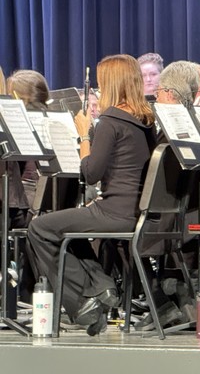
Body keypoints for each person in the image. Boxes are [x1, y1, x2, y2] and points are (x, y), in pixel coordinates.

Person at [26, 54, 156, 335]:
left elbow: (90, 173)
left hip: (115, 212)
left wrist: (85, 134)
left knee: (39, 228)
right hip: (133, 211)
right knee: (67, 228)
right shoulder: (145, 120)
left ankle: (85, 299)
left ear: (110, 83)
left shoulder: (110, 121)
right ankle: (100, 286)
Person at [5, 70, 50, 228]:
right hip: (49, 197)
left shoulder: (17, 122)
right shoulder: (55, 118)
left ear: (19, 98)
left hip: (27, 198)